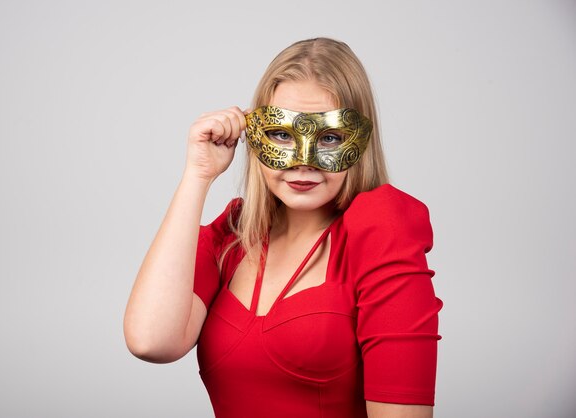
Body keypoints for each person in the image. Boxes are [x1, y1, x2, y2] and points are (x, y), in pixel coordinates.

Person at [124, 37, 442, 418]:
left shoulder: (381, 232)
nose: (302, 163)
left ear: (360, 139)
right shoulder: (234, 236)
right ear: (255, 134)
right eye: (281, 134)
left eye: (329, 137)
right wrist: (198, 173)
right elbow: (150, 341)